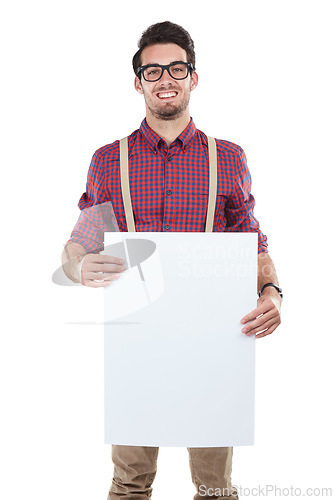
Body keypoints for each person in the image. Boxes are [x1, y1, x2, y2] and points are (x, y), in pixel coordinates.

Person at [62, 20, 282, 500]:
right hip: (137, 345)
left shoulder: (227, 157)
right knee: (130, 483)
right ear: (138, 82)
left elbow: (251, 237)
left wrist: (271, 291)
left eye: (177, 68)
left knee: (215, 487)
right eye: (153, 69)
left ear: (193, 77)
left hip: (214, 343)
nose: (166, 78)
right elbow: (80, 240)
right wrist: (78, 266)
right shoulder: (107, 160)